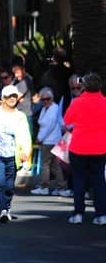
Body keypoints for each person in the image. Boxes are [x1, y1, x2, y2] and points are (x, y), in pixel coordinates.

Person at [0, 85, 32, 222]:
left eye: (14, 96)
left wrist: (25, 152)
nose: (12, 99)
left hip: (13, 156)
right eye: (9, 96)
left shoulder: (20, 116)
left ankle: (7, 205)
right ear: (3, 98)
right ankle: (2, 210)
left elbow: (25, 136)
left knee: (10, 186)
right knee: (0, 182)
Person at [62, 72, 106, 225]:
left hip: (80, 146)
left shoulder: (78, 102)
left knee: (79, 180)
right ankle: (101, 214)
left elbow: (67, 120)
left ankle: (78, 213)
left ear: (84, 86)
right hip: (100, 147)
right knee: (99, 181)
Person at [30, 89, 68, 197]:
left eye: (48, 99)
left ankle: (44, 186)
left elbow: (49, 126)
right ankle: (61, 187)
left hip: (50, 140)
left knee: (45, 164)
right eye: (43, 99)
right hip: (52, 140)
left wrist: (39, 138)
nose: (45, 101)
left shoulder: (53, 109)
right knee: (56, 165)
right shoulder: (46, 109)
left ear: (52, 99)